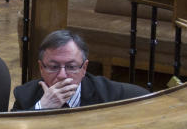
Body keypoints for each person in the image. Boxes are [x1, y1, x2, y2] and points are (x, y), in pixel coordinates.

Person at [12, 30, 149, 110]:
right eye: (53, 67)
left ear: (84, 68)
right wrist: (42, 107)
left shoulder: (108, 95)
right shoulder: (25, 96)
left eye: (71, 67)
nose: (62, 75)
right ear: (41, 68)